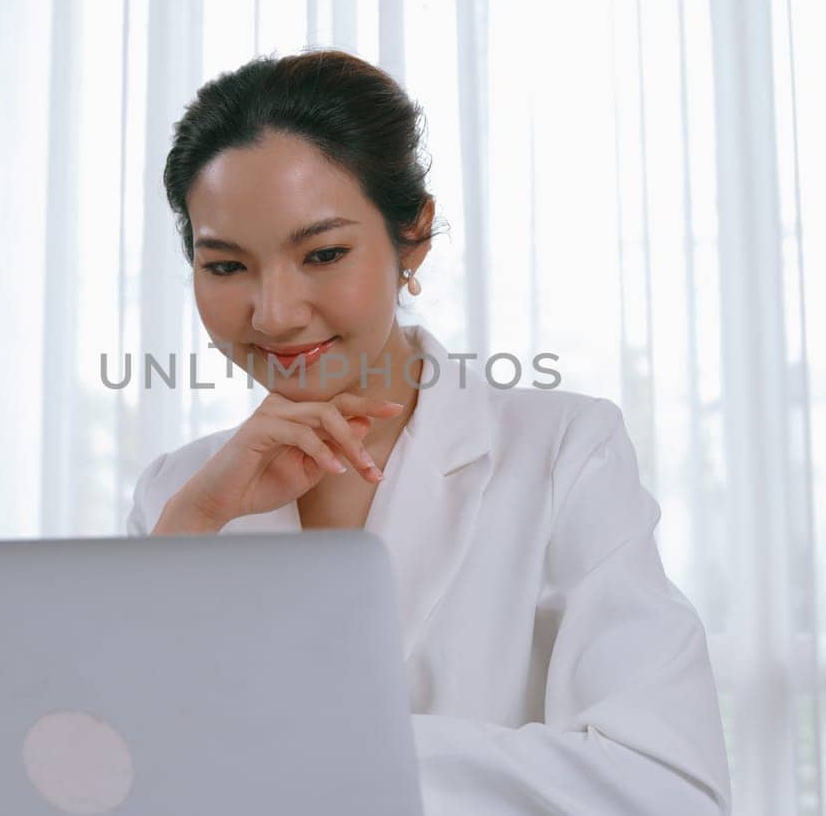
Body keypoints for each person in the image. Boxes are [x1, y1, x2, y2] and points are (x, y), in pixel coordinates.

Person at [124, 49, 731, 814]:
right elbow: (111, 773)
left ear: (413, 240)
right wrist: (193, 524)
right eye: (225, 267)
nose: (273, 313)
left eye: (324, 254)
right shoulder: (178, 494)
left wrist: (316, 755)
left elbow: (667, 785)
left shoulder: (564, 451)